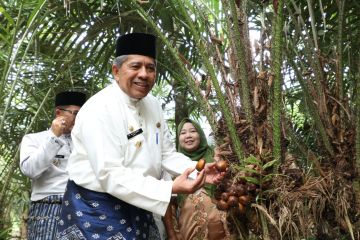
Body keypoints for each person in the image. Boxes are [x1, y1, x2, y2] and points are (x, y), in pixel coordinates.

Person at [56, 32, 225, 239]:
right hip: (96, 210)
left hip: (140, 204)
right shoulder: (99, 109)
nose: (144, 74)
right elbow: (110, 173)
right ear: (116, 71)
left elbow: (165, 154)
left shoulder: (153, 104)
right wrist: (169, 187)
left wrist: (195, 171)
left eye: (150, 68)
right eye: (135, 66)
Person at [19, 91, 86, 240]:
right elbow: (30, 170)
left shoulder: (85, 141)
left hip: (83, 207)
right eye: (74, 113)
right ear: (58, 113)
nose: (78, 118)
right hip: (48, 206)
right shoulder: (34, 139)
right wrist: (54, 137)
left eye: (81, 114)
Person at [165, 118, 231, 240]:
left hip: (225, 230)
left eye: (193, 131)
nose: (188, 136)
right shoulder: (170, 166)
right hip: (190, 231)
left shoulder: (217, 157)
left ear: (200, 134)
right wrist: (173, 233)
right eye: (183, 133)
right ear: (178, 139)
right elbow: (169, 204)